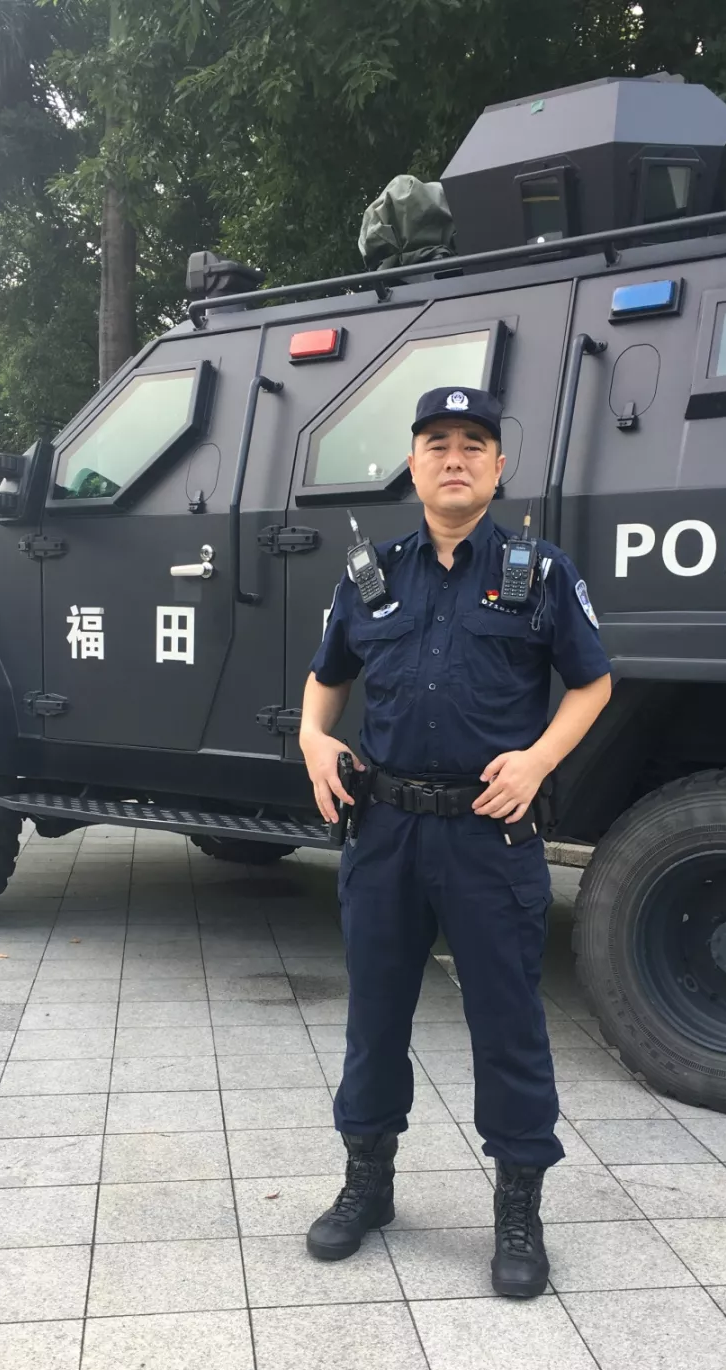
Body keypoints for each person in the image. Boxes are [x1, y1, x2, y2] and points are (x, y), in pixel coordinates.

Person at [298, 385, 612, 1298]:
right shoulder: (372, 575)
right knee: (375, 1016)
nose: (454, 457)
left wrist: (538, 760)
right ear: (414, 464)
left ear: (498, 468)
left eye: (474, 443)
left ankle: (518, 1206)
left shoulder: (538, 571)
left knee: (508, 1024)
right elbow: (327, 675)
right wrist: (315, 738)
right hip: (385, 832)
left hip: (488, 833)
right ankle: (368, 1183)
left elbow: (592, 682)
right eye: (436, 442)